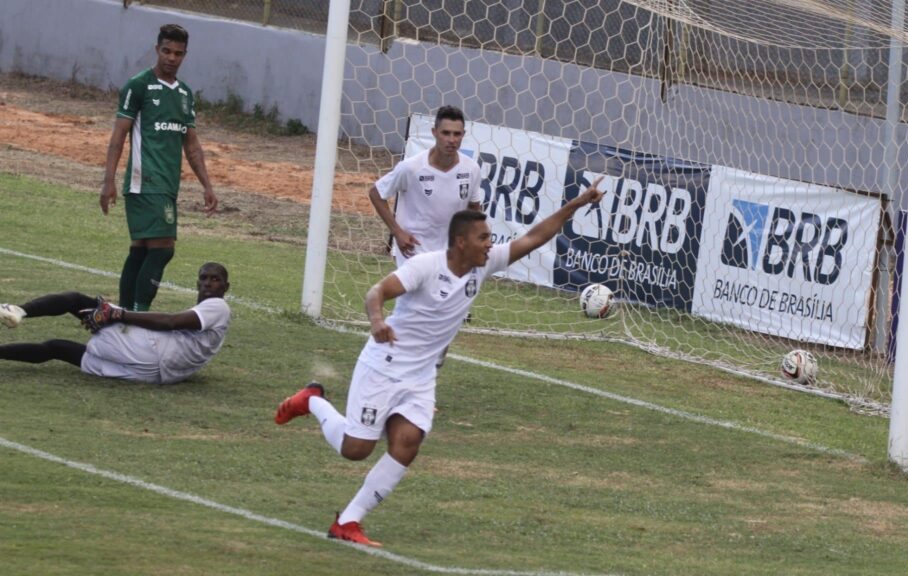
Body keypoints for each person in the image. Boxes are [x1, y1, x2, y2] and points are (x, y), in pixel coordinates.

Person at [274, 177, 605, 547]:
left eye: (490, 237)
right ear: (461, 242)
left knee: (407, 443)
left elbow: (535, 236)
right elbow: (377, 291)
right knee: (356, 450)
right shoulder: (426, 267)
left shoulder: (485, 264)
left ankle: (348, 521)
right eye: (483, 238)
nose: (490, 244)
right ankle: (313, 400)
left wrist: (577, 204)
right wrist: (378, 322)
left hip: (420, 376)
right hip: (384, 365)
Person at [101, 24, 218, 313]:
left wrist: (207, 185)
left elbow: (191, 144)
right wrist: (108, 181)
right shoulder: (138, 86)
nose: (171, 58)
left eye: (178, 53)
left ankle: (124, 316)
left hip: (167, 186)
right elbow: (118, 138)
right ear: (157, 50)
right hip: (144, 181)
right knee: (163, 249)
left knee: (140, 250)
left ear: (185, 55)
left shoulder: (185, 94)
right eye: (166, 51)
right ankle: (139, 315)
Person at [0, 263, 231, 385]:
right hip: (154, 374)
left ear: (225, 287)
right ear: (197, 283)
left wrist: (117, 315)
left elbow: (169, 322)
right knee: (56, 348)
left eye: (215, 279)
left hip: (148, 354)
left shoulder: (218, 306)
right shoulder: (209, 315)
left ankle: (18, 311)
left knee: (75, 301)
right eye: (204, 278)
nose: (208, 283)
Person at [369, 105, 484, 267]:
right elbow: (376, 193)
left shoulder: (471, 169)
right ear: (434, 132)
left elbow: (474, 208)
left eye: (457, 134)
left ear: (463, 135)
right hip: (413, 253)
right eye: (445, 133)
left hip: (449, 256)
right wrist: (397, 232)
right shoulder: (411, 168)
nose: (451, 139)